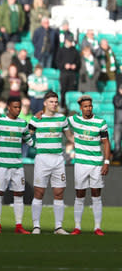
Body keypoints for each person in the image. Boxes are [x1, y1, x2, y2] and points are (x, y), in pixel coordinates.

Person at [29, 91, 73, 235]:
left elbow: (70, 137)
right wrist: (35, 145)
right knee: (39, 192)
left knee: (59, 192)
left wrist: (87, 142)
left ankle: (58, 227)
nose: (54, 104)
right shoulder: (36, 119)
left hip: (58, 159)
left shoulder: (62, 118)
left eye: (56, 102)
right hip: (42, 158)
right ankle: (36, 226)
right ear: (45, 103)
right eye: (51, 102)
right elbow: (26, 135)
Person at [0, 96, 35, 234]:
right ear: (8, 107)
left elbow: (29, 141)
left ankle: (18, 226)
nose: (18, 109)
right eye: (15, 107)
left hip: (17, 165)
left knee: (19, 194)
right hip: (2, 165)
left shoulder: (22, 123)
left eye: (19, 107)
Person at [68, 95, 111, 236]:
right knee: (79, 195)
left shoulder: (100, 122)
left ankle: (97, 227)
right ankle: (77, 227)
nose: (88, 108)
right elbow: (59, 120)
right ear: (80, 108)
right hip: (80, 164)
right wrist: (41, 114)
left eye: (90, 106)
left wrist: (106, 162)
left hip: (96, 164)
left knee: (96, 195)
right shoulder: (74, 120)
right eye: (85, 106)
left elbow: (106, 143)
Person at [57, 36, 81, 110]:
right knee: (63, 90)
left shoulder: (75, 51)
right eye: (69, 41)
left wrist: (75, 66)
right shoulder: (61, 50)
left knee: (71, 90)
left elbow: (78, 62)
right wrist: (64, 65)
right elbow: (57, 62)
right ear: (66, 41)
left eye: (71, 41)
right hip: (64, 73)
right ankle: (62, 106)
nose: (70, 43)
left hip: (72, 74)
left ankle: (70, 108)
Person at [113, 85, 122, 160]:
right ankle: (117, 159)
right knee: (117, 143)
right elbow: (118, 104)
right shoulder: (116, 97)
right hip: (118, 123)